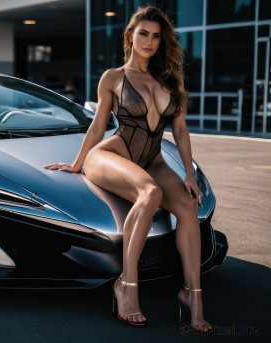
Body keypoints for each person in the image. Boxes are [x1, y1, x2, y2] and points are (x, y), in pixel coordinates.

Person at [44, 5, 211, 332]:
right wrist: (76, 164)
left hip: (153, 159)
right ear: (130, 36)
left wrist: (189, 175)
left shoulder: (170, 81)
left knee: (189, 204)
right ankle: (127, 285)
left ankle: (192, 294)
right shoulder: (113, 78)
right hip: (111, 153)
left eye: (156, 36)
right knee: (150, 193)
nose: (149, 41)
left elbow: (180, 131)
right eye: (143, 33)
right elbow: (97, 126)